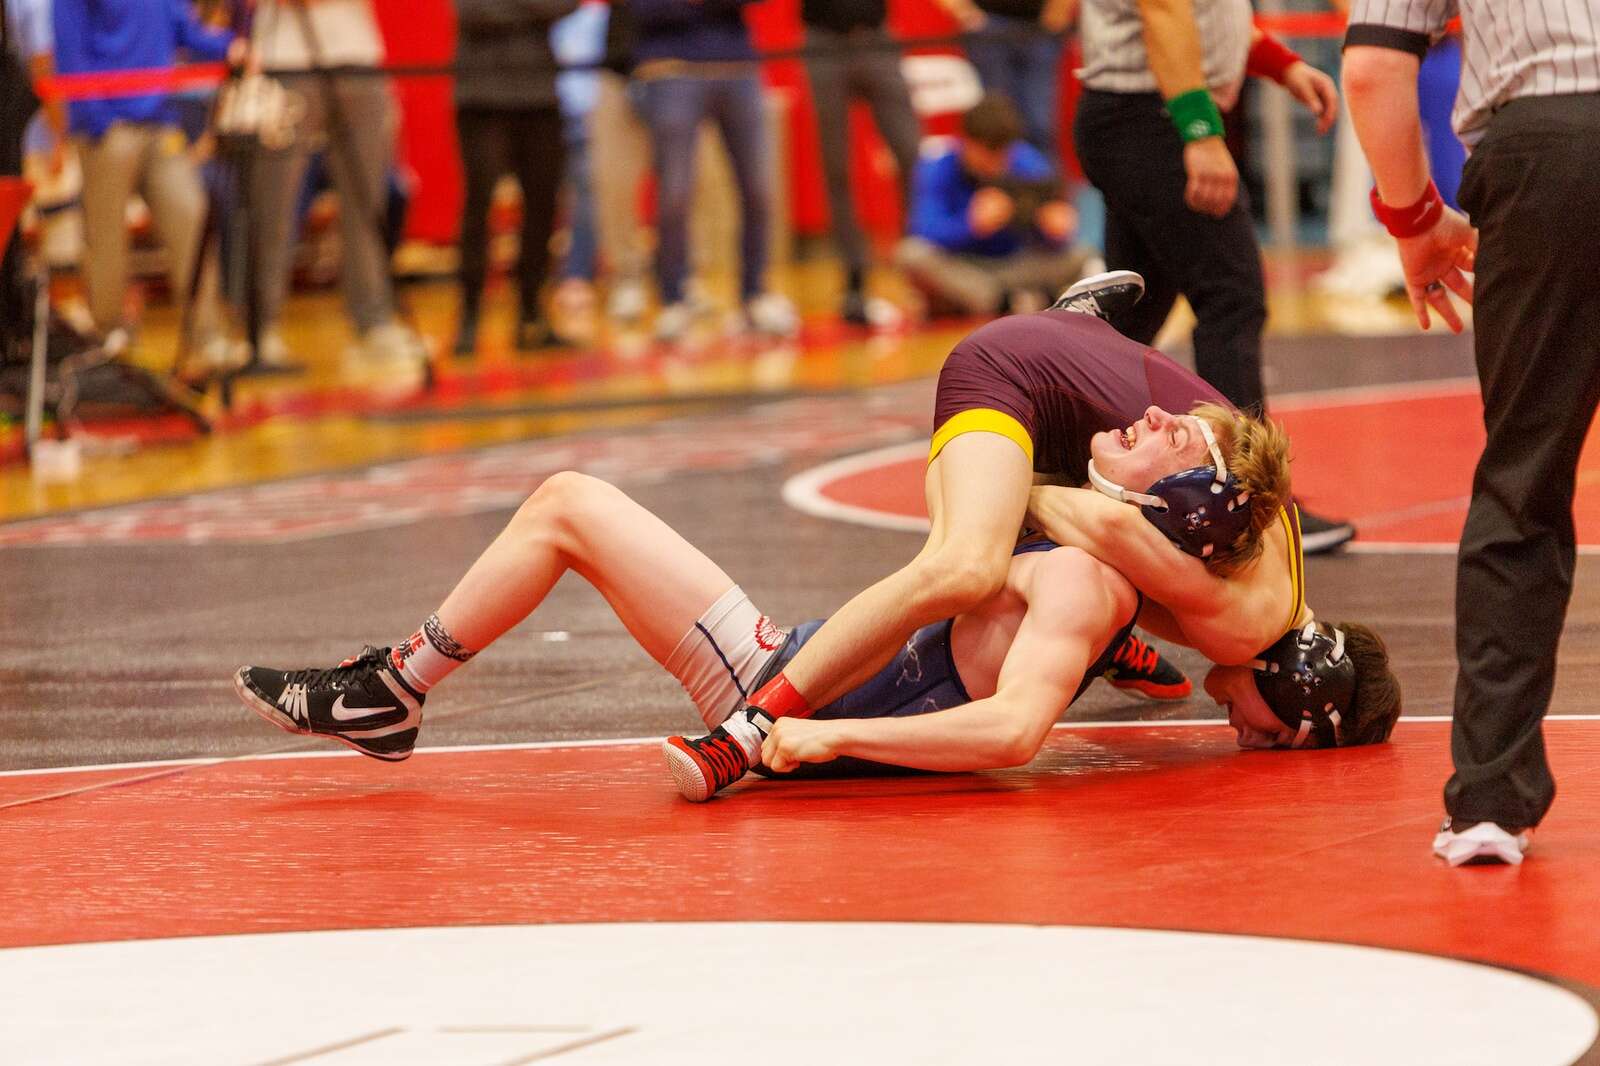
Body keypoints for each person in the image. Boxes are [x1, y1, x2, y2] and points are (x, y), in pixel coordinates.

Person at [231, 471, 1399, 785]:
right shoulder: (1117, 615)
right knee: (569, 506)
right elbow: (1145, 665)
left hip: (784, 682)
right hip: (809, 672)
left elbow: (1010, 734)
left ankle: (393, 690)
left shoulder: (1092, 589)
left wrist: (823, 735)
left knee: (568, 505)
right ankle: (393, 688)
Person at [666, 271, 1304, 799]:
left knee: (1091, 578)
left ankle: (1074, 327)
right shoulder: (1243, 620)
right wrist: (1001, 499)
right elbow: (1113, 529)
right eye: (1273, 732)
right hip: (1008, 370)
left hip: (1072, 420)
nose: (1248, 736)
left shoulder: (1260, 555)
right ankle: (753, 724)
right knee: (967, 566)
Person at [1342, 2, 1599, 867]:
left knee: (1524, 480)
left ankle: (1491, 801)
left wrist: (1414, 219)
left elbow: (1373, 65)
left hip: (1552, 158)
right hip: (1555, 146)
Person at [1074, 0, 1355, 552]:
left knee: (1132, 313)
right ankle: (1252, 507)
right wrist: (1200, 132)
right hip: (1155, 116)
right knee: (1231, 299)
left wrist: (1280, 64)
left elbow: (1209, 13)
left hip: (1144, 114)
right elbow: (1165, 10)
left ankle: (1054, 458)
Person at [249, 0, 425, 377]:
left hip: (359, 57)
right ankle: (260, 329)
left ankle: (373, 321)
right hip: (287, 61)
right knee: (274, 205)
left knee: (367, 202)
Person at [50, 0, 237, 351]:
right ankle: (108, 336)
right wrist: (98, 120)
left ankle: (208, 336)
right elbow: (69, 47)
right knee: (106, 236)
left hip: (161, 122)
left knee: (191, 215)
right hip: (107, 129)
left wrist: (232, 47)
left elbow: (185, 30)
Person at [632, 0, 798, 341]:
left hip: (737, 65)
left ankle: (755, 295)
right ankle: (674, 300)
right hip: (670, 68)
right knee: (675, 192)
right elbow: (645, 9)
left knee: (759, 189)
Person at [453, 0, 581, 356]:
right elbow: (471, 11)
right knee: (479, 206)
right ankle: (469, 317)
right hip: (481, 97)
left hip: (540, 95)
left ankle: (531, 314)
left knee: (543, 205)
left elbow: (566, 5)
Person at [894, 93, 1090, 317]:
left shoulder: (1028, 162)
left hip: (1018, 264)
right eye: (987, 153)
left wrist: (1054, 230)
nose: (995, 164)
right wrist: (971, 225)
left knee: (1081, 254)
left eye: (1002, 154)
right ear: (965, 142)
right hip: (965, 267)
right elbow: (922, 229)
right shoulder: (937, 167)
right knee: (911, 254)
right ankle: (1010, 300)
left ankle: (1002, 300)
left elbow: (1059, 233)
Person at [800, 0, 922, 326]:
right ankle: (854, 277)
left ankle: (921, 264)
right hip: (824, 41)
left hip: (875, 36)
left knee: (911, 154)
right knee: (836, 168)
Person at [937, 0, 1074, 162]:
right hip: (989, 28)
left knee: (1039, 123)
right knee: (995, 120)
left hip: (1040, 27)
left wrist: (1059, 9)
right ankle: (999, 176)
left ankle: (1041, 176)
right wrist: (965, 13)